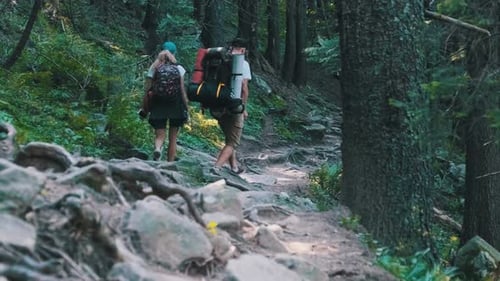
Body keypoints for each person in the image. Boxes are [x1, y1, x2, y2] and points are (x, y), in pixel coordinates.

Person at [211, 38, 251, 174]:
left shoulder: (221, 62)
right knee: (233, 142)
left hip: (218, 105)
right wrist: (243, 107)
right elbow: (244, 88)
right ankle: (217, 167)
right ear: (243, 50)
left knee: (229, 137)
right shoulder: (242, 64)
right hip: (234, 106)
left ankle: (234, 167)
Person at [144, 42, 189, 161]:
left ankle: (158, 149)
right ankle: (169, 164)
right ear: (174, 53)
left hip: (158, 103)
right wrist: (186, 106)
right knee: (173, 137)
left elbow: (148, 89)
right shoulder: (179, 68)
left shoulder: (153, 68)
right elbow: (182, 90)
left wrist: (144, 107)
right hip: (175, 104)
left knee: (159, 134)